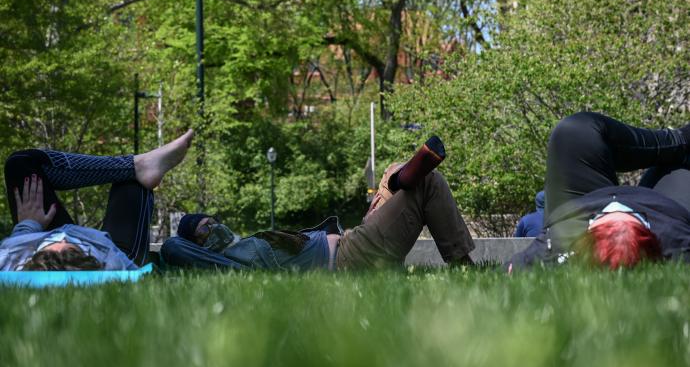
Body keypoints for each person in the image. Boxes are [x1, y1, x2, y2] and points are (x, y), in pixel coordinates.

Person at [161, 136, 475, 271]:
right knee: (428, 182)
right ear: (199, 247)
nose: (214, 226)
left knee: (395, 170)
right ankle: (464, 267)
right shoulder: (230, 264)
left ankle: (397, 181)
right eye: (205, 230)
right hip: (349, 261)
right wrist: (198, 250)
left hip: (354, 239)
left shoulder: (242, 245)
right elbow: (172, 248)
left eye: (212, 220)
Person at [507, 112, 690, 270]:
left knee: (574, 131)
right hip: (666, 208)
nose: (615, 211)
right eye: (627, 224)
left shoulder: (551, 251)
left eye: (608, 224)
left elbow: (507, 272)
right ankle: (680, 142)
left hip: (579, 207)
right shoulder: (679, 247)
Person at [1, 130, 193, 271]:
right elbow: (137, 274)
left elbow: (11, 250)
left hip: (37, 229)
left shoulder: (12, 260)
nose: (63, 237)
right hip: (117, 248)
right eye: (69, 248)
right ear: (87, 257)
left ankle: (137, 166)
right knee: (131, 184)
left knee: (19, 163)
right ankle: (136, 168)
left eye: (52, 248)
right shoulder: (113, 265)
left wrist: (28, 226)